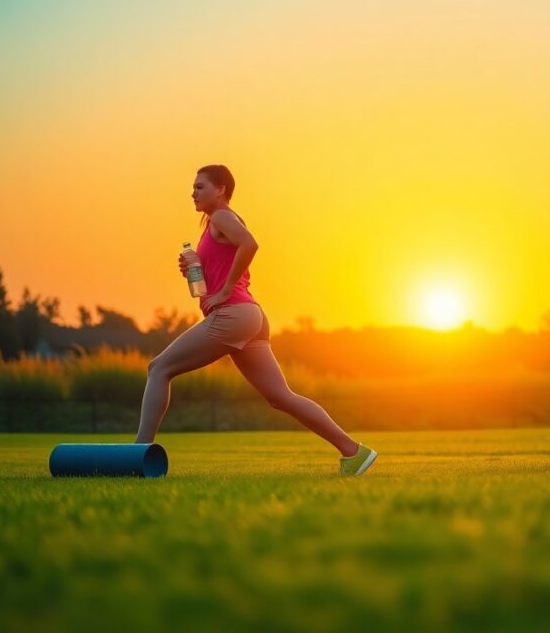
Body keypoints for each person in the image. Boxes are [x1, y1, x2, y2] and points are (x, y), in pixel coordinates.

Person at [134, 164, 378, 477]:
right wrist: (197, 266)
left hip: (234, 314)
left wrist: (222, 291)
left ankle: (137, 455)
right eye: (192, 188)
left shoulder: (222, 216)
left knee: (159, 368)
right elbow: (206, 289)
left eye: (200, 187)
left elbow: (250, 244)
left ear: (220, 189)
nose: (192, 193)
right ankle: (354, 452)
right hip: (251, 317)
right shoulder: (215, 224)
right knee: (280, 397)